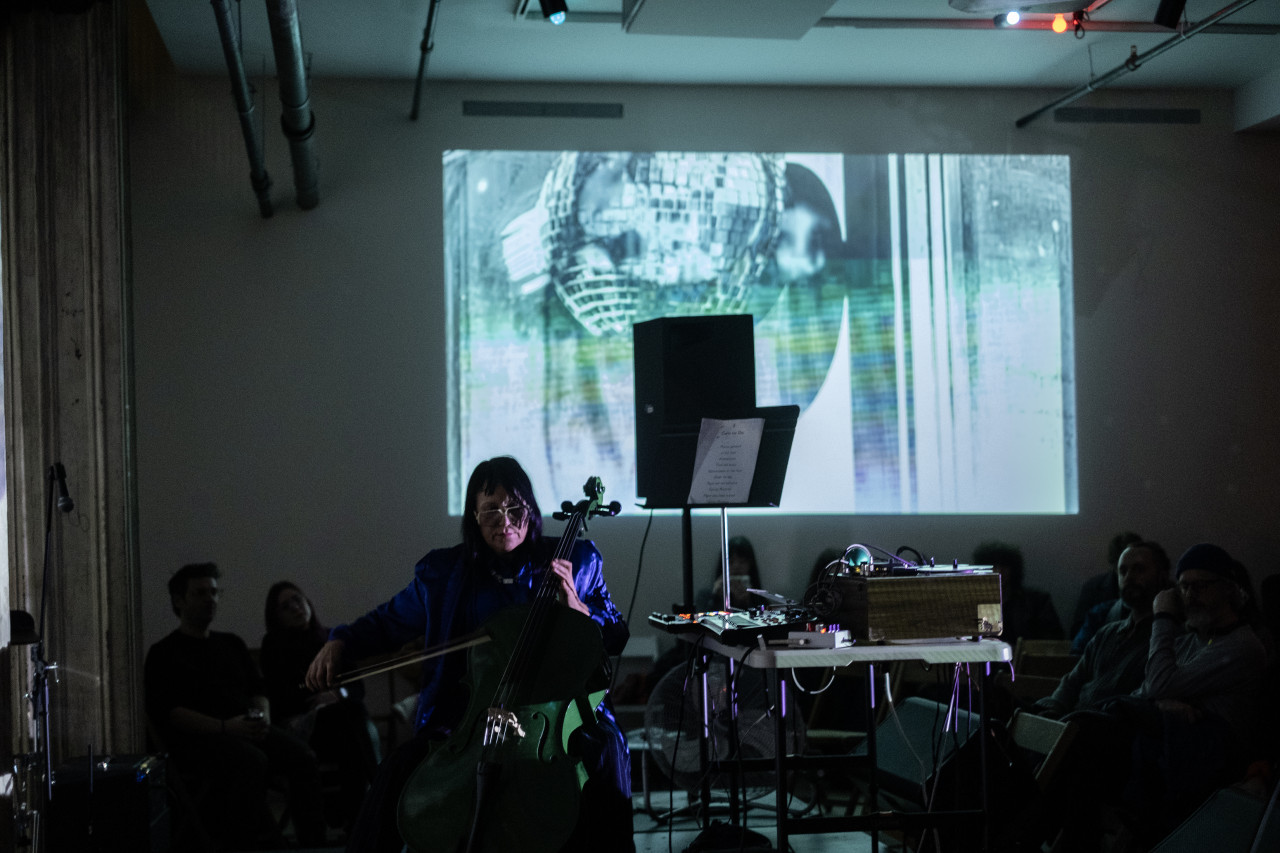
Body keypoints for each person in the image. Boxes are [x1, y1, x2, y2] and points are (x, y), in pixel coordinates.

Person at [305, 456, 633, 853]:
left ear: (530, 509)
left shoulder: (577, 562)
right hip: (465, 715)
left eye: (514, 507)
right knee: (399, 770)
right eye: (491, 509)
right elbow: (387, 623)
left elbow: (614, 635)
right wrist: (340, 641)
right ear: (474, 516)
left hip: (554, 714)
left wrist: (576, 607)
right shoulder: (443, 574)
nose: (504, 519)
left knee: (607, 753)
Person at [144, 563, 325, 851]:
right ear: (179, 601)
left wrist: (262, 715)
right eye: (200, 593)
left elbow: (258, 691)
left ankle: (315, 845)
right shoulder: (164, 653)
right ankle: (249, 844)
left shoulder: (231, 643)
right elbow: (171, 713)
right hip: (200, 741)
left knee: (302, 756)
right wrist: (227, 727)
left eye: (215, 592)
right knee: (251, 760)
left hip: (246, 729)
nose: (210, 599)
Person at [261, 580, 379, 833]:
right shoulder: (273, 646)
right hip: (301, 729)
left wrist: (338, 693)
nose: (295, 607)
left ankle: (354, 812)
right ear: (276, 616)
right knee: (353, 720)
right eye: (285, 606)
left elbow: (356, 688)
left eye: (298, 599)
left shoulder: (331, 639)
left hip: (339, 723)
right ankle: (375, 798)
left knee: (351, 721)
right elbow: (280, 697)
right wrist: (319, 696)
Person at [1035, 541, 1170, 718]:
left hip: (1105, 729)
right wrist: (1048, 711)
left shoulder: (1168, 637)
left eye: (1139, 569)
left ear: (1161, 576)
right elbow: (1071, 683)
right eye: (1123, 571)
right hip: (1070, 723)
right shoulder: (1107, 633)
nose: (1129, 577)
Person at [972, 540, 1063, 648]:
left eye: (1004, 566)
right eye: (993, 566)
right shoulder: (976, 603)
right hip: (989, 662)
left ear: (1013, 569)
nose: (999, 571)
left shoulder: (1037, 602)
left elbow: (1052, 641)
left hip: (1027, 661)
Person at [1069, 530, 1143, 638]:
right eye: (1123, 569)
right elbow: (1078, 634)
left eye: (1137, 568)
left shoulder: (1098, 603)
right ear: (1115, 565)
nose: (1129, 575)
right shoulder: (1093, 590)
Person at [696, 535, 763, 611]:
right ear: (723, 565)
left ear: (750, 564)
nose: (736, 566)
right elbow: (703, 620)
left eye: (742, 562)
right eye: (730, 562)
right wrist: (716, 598)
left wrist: (746, 603)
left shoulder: (759, 598)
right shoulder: (705, 596)